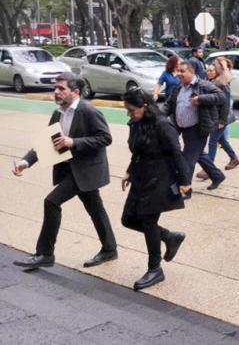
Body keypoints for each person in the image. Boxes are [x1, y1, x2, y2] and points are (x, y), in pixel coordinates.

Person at [11, 73, 118, 271]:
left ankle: (45, 254)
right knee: (95, 207)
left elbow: (105, 138)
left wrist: (73, 142)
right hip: (70, 169)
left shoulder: (88, 111)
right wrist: (26, 162)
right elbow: (47, 142)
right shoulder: (59, 112)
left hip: (86, 170)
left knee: (51, 202)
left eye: (61, 89)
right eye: (56, 89)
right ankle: (110, 249)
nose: (56, 92)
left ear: (75, 92)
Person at [119, 89, 188, 290]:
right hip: (141, 176)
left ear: (145, 107)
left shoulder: (163, 125)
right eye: (127, 110)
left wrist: (184, 181)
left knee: (148, 221)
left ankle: (155, 269)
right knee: (128, 219)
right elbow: (137, 151)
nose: (129, 114)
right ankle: (169, 236)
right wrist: (129, 171)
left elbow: (177, 153)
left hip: (160, 178)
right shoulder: (136, 123)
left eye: (131, 110)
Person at [165, 61, 227, 193]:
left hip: (199, 129)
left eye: (182, 71)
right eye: (178, 71)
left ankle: (183, 189)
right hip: (183, 127)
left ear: (191, 72)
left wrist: (201, 99)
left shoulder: (204, 85)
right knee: (198, 154)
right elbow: (169, 104)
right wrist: (156, 115)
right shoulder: (178, 87)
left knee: (187, 160)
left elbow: (221, 97)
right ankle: (217, 176)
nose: (179, 74)